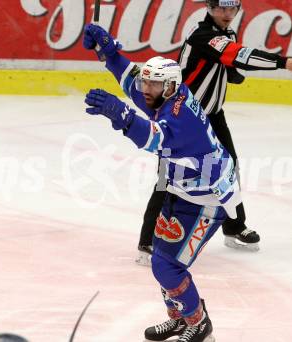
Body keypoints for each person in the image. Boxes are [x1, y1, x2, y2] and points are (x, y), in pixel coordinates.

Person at [84, 23, 243, 342]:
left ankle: (200, 325)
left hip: (208, 201)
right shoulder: (166, 94)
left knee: (167, 266)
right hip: (182, 190)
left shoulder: (181, 118)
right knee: (162, 259)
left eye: (152, 85)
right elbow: (129, 78)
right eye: (147, 82)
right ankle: (182, 318)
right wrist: (108, 51)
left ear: (168, 87)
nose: (145, 89)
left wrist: (122, 116)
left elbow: (153, 139)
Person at [136, 0, 292, 265]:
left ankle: (234, 226)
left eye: (233, 8)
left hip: (213, 115)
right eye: (221, 8)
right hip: (182, 119)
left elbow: (225, 62)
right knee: (168, 179)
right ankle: (147, 241)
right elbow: (238, 54)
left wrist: (231, 73)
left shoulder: (225, 34)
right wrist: (283, 62)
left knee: (230, 168)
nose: (228, 14)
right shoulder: (203, 35)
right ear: (209, 7)